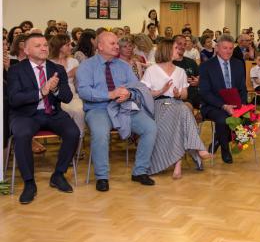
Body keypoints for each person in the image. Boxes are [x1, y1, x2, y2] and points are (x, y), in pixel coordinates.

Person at [77, 32, 158, 192]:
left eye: (117, 43)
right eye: (112, 43)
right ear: (100, 46)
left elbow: (136, 88)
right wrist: (110, 95)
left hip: (123, 107)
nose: (117, 46)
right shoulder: (87, 66)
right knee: (100, 133)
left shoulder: (123, 66)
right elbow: (84, 92)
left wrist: (129, 94)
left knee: (150, 127)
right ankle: (102, 177)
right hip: (98, 109)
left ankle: (140, 171)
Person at [8, 33, 80, 204]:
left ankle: (58, 175)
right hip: (26, 114)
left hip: (52, 113)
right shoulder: (16, 70)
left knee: (73, 132)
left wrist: (55, 90)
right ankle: (29, 182)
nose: (43, 48)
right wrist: (41, 92)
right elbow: (14, 99)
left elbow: (68, 97)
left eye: (45, 45)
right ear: (26, 50)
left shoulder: (57, 69)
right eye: (38, 45)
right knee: (22, 134)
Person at [142, 39, 211, 179]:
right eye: (175, 48)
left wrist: (178, 94)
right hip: (159, 105)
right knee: (183, 111)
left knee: (182, 110)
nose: (178, 50)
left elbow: (185, 94)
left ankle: (178, 165)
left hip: (176, 103)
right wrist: (161, 91)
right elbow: (143, 93)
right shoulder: (151, 70)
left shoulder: (180, 71)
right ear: (166, 50)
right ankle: (197, 149)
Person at [198, 34, 247, 164]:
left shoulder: (238, 64)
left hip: (235, 103)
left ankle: (218, 139)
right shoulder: (206, 66)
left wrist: (242, 105)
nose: (228, 51)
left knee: (252, 119)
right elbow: (205, 93)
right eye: (225, 48)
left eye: (231, 48)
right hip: (213, 105)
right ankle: (225, 150)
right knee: (223, 119)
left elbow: (242, 88)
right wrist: (224, 106)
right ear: (217, 48)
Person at [48, 35, 85, 133]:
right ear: (59, 47)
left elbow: (78, 83)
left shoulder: (74, 61)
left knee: (80, 110)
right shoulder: (49, 63)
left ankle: (79, 137)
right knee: (73, 110)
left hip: (73, 95)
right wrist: (68, 74)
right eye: (67, 45)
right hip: (56, 97)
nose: (71, 47)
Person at [172, 35, 201, 110]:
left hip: (195, 94)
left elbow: (199, 77)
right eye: (179, 44)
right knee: (187, 107)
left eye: (184, 44)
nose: (182, 47)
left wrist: (198, 81)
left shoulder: (191, 62)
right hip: (179, 96)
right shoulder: (169, 63)